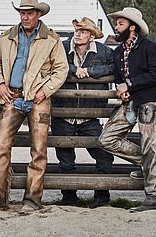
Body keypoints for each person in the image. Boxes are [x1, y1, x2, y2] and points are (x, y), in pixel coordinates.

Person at [0, 0, 68, 214]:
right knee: (0, 147)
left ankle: (32, 201)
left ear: (38, 15)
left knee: (38, 151)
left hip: (39, 99)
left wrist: (45, 91)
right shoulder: (7, 36)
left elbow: (61, 70)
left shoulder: (52, 40)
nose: (25, 17)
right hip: (12, 96)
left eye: (29, 13)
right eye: (22, 13)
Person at [99, 7, 156, 212]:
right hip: (130, 102)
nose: (117, 27)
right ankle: (149, 164)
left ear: (132, 26)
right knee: (106, 138)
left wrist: (129, 84)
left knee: (151, 145)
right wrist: (123, 90)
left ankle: (155, 197)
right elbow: (119, 78)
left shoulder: (149, 47)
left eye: (120, 24)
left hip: (149, 101)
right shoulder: (118, 52)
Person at [51, 17, 114, 208]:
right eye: (77, 31)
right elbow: (51, 63)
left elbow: (114, 67)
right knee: (66, 160)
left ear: (92, 36)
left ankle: (101, 198)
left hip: (91, 115)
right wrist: (73, 70)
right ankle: (69, 199)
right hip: (63, 113)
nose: (78, 34)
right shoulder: (61, 47)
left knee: (104, 156)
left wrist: (90, 71)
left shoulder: (104, 51)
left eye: (84, 32)